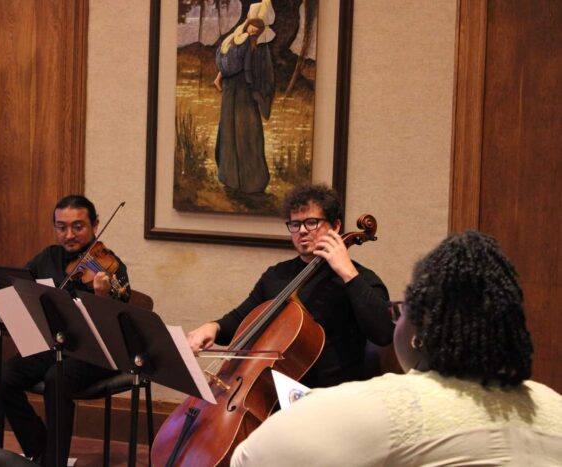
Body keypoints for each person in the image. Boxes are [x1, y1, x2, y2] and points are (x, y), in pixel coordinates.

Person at [230, 230, 562, 466]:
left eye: (401, 310)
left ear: (419, 329)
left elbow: (249, 458)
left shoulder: (386, 407)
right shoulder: (552, 405)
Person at [187, 183, 393, 388]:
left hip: (333, 399)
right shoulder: (276, 276)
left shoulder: (360, 279)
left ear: (336, 226)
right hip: (275, 393)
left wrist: (348, 273)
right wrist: (213, 326)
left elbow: (383, 333)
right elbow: (243, 321)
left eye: (311, 222)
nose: (302, 231)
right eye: (295, 224)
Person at [0, 195, 131, 467]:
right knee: (0, 379)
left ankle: (53, 462)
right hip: (54, 345)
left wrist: (103, 295)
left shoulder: (110, 266)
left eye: (78, 226)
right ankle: (41, 449)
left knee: (57, 376)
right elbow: (20, 287)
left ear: (95, 225)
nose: (69, 235)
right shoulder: (47, 257)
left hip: (96, 352)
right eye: (61, 227)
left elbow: (116, 323)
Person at [213, 0, 275, 194]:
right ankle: (237, 180)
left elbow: (262, 71)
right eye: (253, 23)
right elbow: (234, 65)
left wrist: (259, 93)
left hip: (240, 93)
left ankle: (245, 181)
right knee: (236, 132)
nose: (254, 28)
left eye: (258, 24)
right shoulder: (242, 40)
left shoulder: (247, 40)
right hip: (238, 92)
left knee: (244, 133)